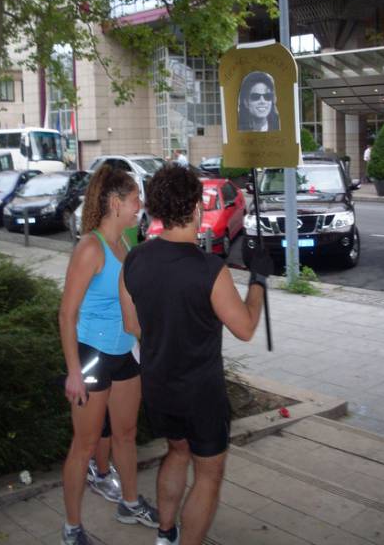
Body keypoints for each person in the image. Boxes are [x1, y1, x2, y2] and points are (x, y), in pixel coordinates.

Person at [120, 164, 273, 545]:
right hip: (201, 394)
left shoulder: (134, 259)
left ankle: (165, 534)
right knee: (208, 475)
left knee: (176, 451)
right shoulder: (210, 270)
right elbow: (245, 327)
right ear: (195, 207)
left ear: (157, 208)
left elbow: (132, 325)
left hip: (158, 385)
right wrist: (258, 279)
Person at [59, 164, 158, 545]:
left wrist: (148, 345)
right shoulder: (91, 248)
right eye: (135, 200)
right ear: (116, 202)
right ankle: (72, 527)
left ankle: (129, 503)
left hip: (123, 353)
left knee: (126, 434)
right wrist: (73, 371)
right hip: (92, 356)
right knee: (84, 446)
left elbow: (130, 309)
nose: (139, 207)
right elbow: (67, 314)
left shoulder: (124, 245)